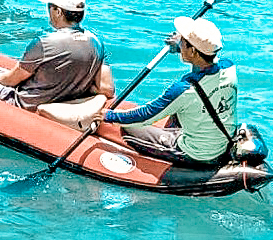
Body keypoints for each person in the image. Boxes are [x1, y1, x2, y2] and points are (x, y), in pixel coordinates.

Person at [102, 16, 237, 165]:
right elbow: (205, 62)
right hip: (222, 142)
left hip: (196, 153)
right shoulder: (229, 68)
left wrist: (109, 116)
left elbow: (145, 115)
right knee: (182, 109)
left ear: (193, 51)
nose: (180, 43)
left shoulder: (184, 90)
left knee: (130, 129)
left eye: (183, 42)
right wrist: (181, 47)